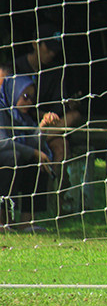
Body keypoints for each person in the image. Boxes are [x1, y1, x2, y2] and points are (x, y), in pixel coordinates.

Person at [12, 22, 83, 163]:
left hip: (48, 127)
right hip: (20, 122)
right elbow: (16, 106)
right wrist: (42, 115)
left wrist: (67, 106)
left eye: (55, 50)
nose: (51, 53)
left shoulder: (56, 71)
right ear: (35, 44)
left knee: (70, 126)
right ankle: (31, 141)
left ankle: (55, 182)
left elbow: (58, 105)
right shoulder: (16, 67)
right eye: (48, 48)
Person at [1, 69, 55, 231]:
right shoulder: (2, 110)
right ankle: (3, 220)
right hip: (6, 162)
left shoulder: (23, 118)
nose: (29, 102)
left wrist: (42, 128)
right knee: (13, 157)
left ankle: (27, 221)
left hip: (15, 159)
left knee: (40, 162)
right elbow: (3, 142)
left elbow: (32, 144)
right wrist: (34, 152)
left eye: (32, 98)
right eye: (25, 97)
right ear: (13, 92)